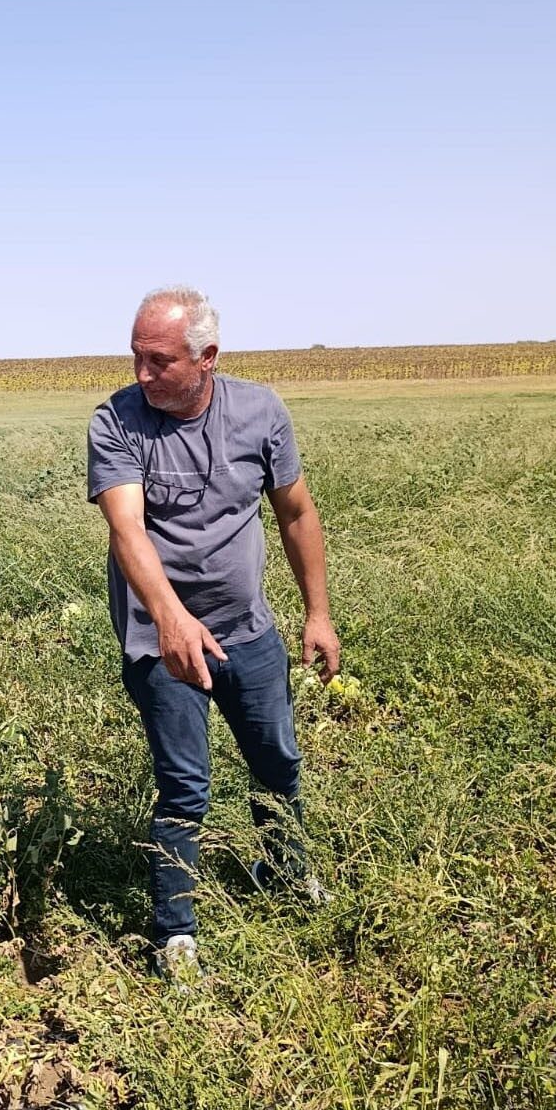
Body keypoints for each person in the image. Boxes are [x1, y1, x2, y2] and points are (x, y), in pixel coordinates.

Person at [87, 286, 340, 984]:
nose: (142, 374)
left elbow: (295, 513)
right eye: (136, 357)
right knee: (185, 787)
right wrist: (171, 618)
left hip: (248, 630)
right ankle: (177, 931)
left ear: (208, 358)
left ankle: (285, 874)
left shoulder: (259, 412)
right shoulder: (117, 420)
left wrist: (316, 614)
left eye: (158, 361)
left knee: (277, 765)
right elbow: (127, 529)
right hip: (158, 637)